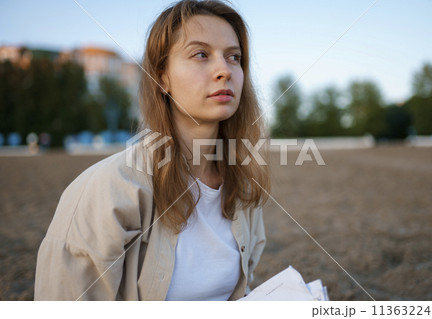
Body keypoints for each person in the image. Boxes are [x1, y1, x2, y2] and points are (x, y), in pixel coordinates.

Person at [34, 0, 270, 301]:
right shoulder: (108, 190)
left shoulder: (243, 188)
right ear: (162, 78)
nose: (224, 70)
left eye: (234, 57)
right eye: (200, 54)